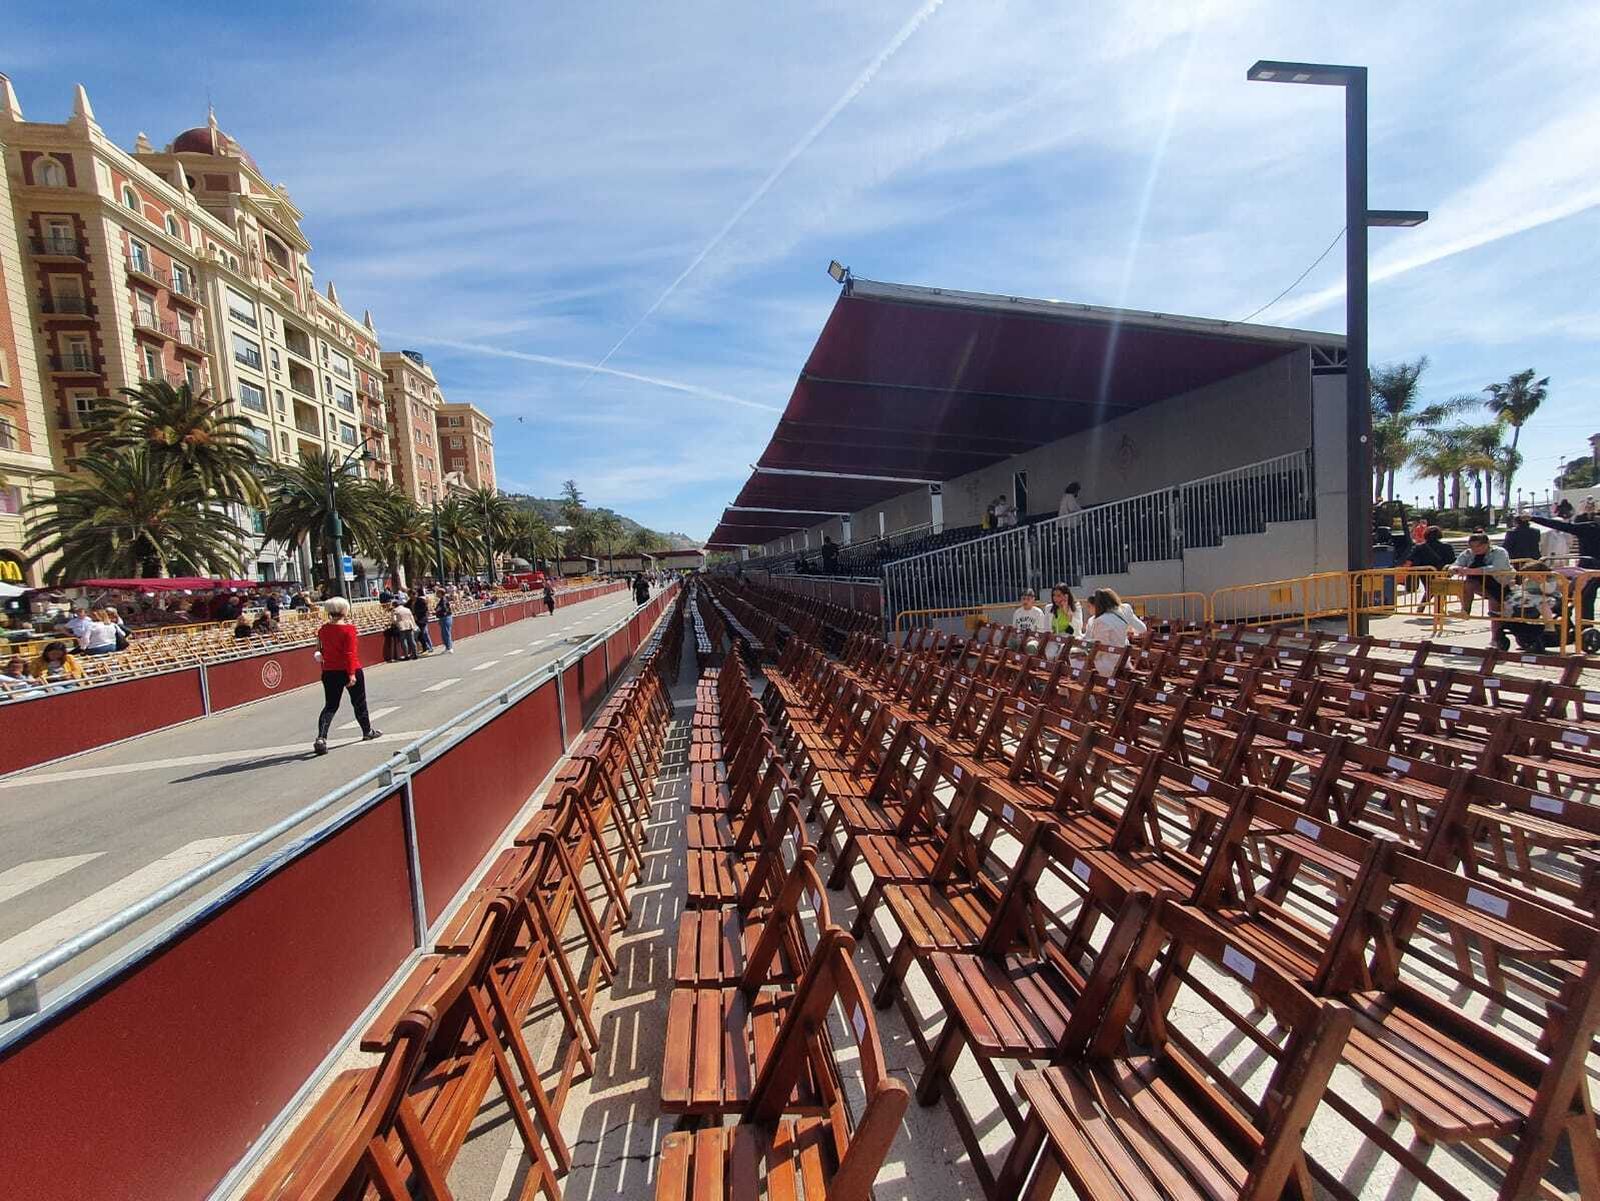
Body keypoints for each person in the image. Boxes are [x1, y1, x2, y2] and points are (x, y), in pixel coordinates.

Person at [312, 597, 380, 754]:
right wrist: (351, 674)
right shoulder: (349, 629)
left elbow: (320, 649)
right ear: (344, 611)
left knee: (330, 705)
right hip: (350, 669)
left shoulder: (323, 630)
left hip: (329, 671)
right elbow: (349, 653)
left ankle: (321, 737)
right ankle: (367, 731)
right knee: (359, 702)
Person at [1529, 509, 1600, 631]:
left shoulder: (1589, 527)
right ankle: (1584, 629)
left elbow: (1561, 525)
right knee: (1584, 600)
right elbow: (1561, 525)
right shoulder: (1589, 527)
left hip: (1588, 568)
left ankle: (1585, 628)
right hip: (1588, 569)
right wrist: (1534, 518)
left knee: (1584, 600)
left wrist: (1533, 518)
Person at [1452, 531, 1514, 648]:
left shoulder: (1499, 552)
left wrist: (1471, 571)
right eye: (1472, 546)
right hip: (1479, 584)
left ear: (1487, 544)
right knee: (1467, 584)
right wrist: (1455, 568)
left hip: (1499, 584)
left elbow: (1497, 567)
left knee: (1495, 613)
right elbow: (1456, 563)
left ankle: (1496, 639)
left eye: (1478, 546)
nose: (1475, 549)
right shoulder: (1468, 553)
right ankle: (1465, 611)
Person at [1082, 587, 1147, 678]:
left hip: (1108, 663)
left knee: (1077, 661)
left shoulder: (1100, 620)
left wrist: (1089, 656)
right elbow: (1142, 629)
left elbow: (1101, 647)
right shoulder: (1123, 611)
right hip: (1124, 658)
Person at [435, 587, 455, 652]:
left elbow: (444, 608)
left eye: (437, 593)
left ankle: (450, 647)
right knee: (444, 633)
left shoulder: (444, 600)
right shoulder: (442, 600)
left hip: (446, 617)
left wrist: (437, 610)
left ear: (441, 593)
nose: (436, 594)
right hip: (443, 617)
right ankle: (447, 647)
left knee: (446, 633)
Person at [412, 590, 432, 654]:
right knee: (422, 634)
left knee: (423, 634)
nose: (411, 597)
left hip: (422, 620)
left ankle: (428, 648)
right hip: (417, 620)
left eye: (412, 595)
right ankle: (427, 648)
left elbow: (425, 609)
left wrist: (416, 614)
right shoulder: (411, 601)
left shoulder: (420, 601)